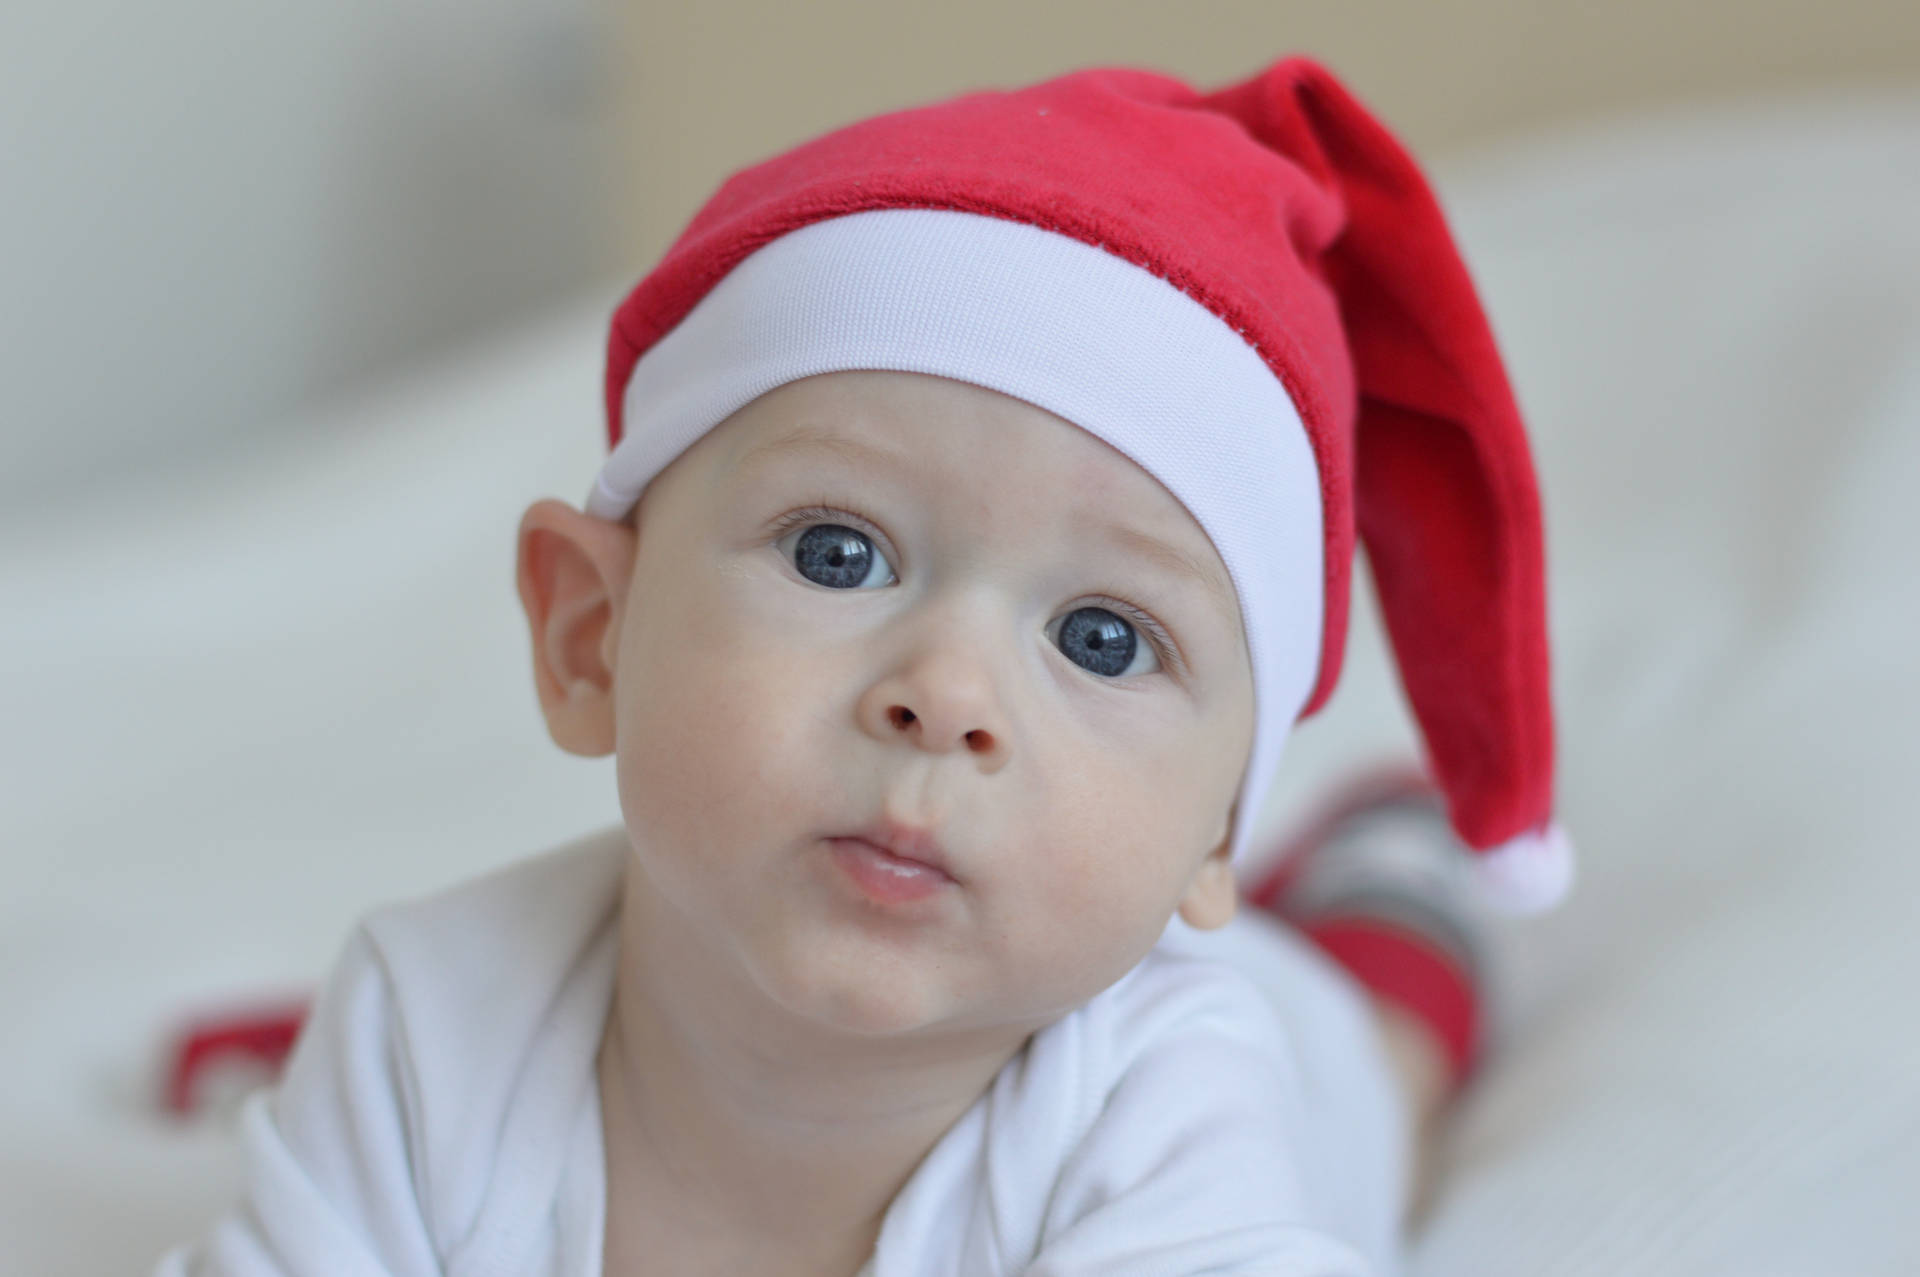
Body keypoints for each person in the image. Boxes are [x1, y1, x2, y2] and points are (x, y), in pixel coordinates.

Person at [154, 54, 1572, 1277]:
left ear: (1216, 822)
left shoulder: (1172, 1112)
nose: (944, 695)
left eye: (1102, 638)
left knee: (1382, 1038)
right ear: (592, 632)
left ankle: (1398, 871)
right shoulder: (430, 1019)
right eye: (838, 553)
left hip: (1300, 1024)